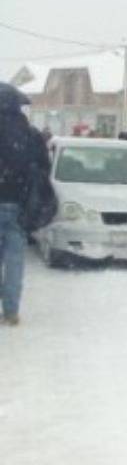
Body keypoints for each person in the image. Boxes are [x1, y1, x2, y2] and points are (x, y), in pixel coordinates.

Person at [0, 83, 52, 325]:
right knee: (15, 261)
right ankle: (11, 312)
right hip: (19, 204)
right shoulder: (31, 135)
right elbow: (44, 169)